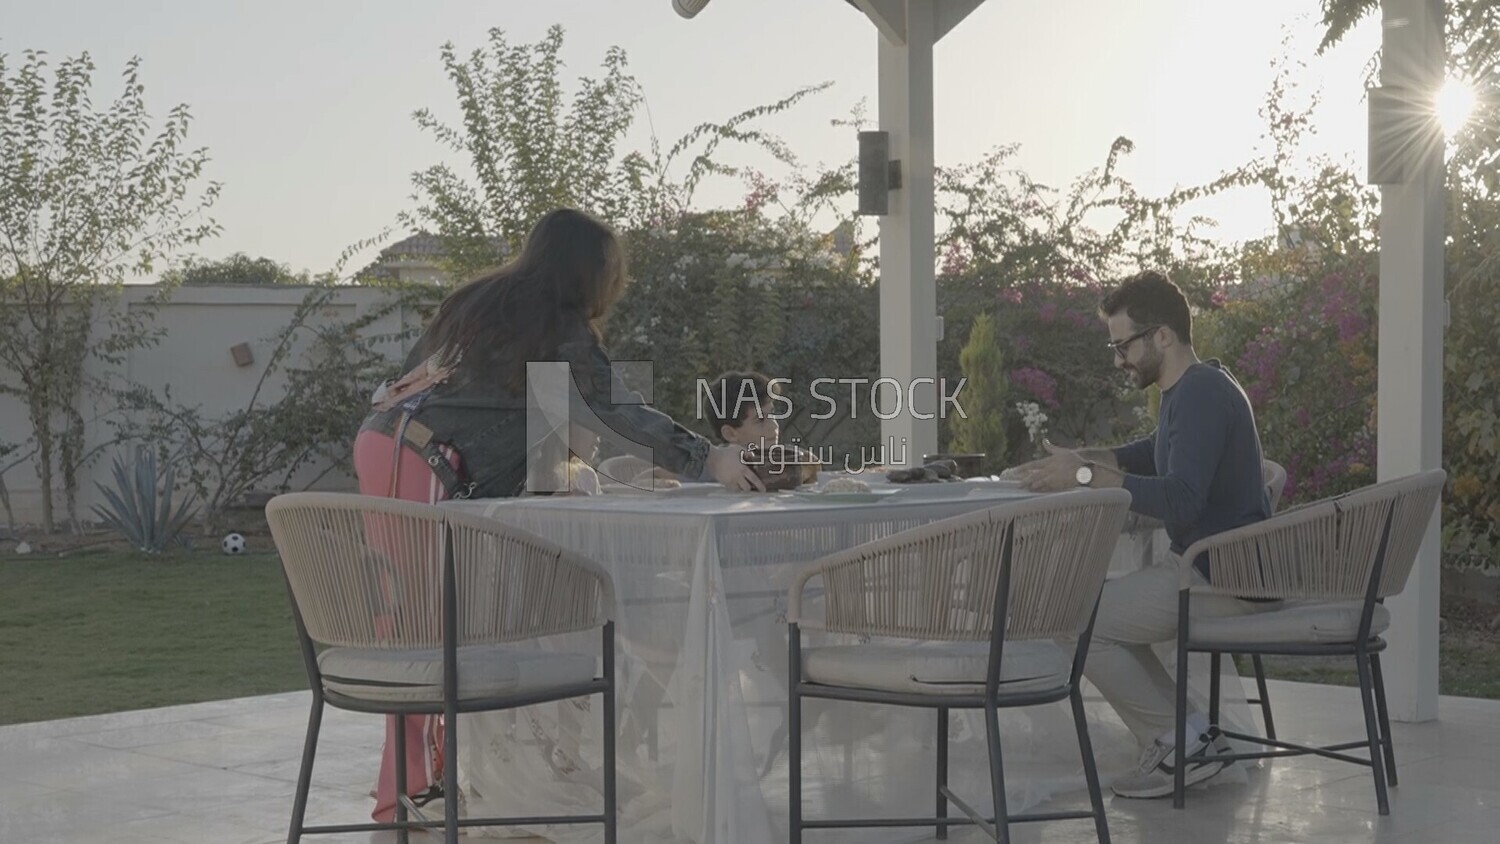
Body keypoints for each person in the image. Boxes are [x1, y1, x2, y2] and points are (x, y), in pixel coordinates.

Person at [351, 207, 763, 823]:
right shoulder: (558, 325)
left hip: (384, 440)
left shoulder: (481, 299)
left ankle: (405, 795)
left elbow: (494, 398)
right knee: (428, 634)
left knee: (410, 625)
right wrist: (710, 458)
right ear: (589, 272)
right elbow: (617, 409)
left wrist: (553, 468)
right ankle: (413, 796)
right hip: (427, 459)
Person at [1012, 270, 1272, 799]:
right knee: (1083, 612)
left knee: (1068, 616)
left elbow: (1181, 498)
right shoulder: (1193, 390)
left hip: (1220, 579)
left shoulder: (1200, 393)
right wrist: (1082, 460)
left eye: (1123, 344)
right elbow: (1145, 454)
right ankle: (1189, 737)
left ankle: (1177, 742)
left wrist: (1083, 478)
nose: (1118, 359)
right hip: (1210, 568)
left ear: (1162, 336)